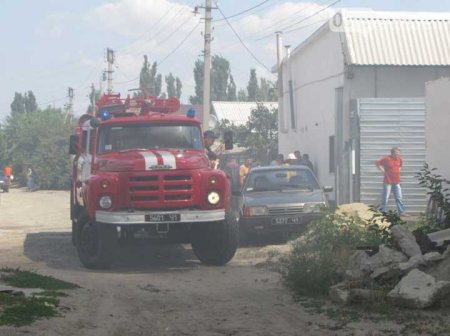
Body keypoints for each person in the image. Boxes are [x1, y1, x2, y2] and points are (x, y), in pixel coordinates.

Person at [376, 147, 405, 215]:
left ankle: (401, 212)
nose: (397, 155)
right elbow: (378, 163)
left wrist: (399, 171)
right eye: (396, 153)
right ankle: (384, 211)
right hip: (388, 181)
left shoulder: (399, 159)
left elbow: (400, 165)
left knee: (399, 197)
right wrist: (382, 170)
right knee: (385, 197)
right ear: (392, 153)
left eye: (398, 153)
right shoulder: (387, 159)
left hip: (396, 181)